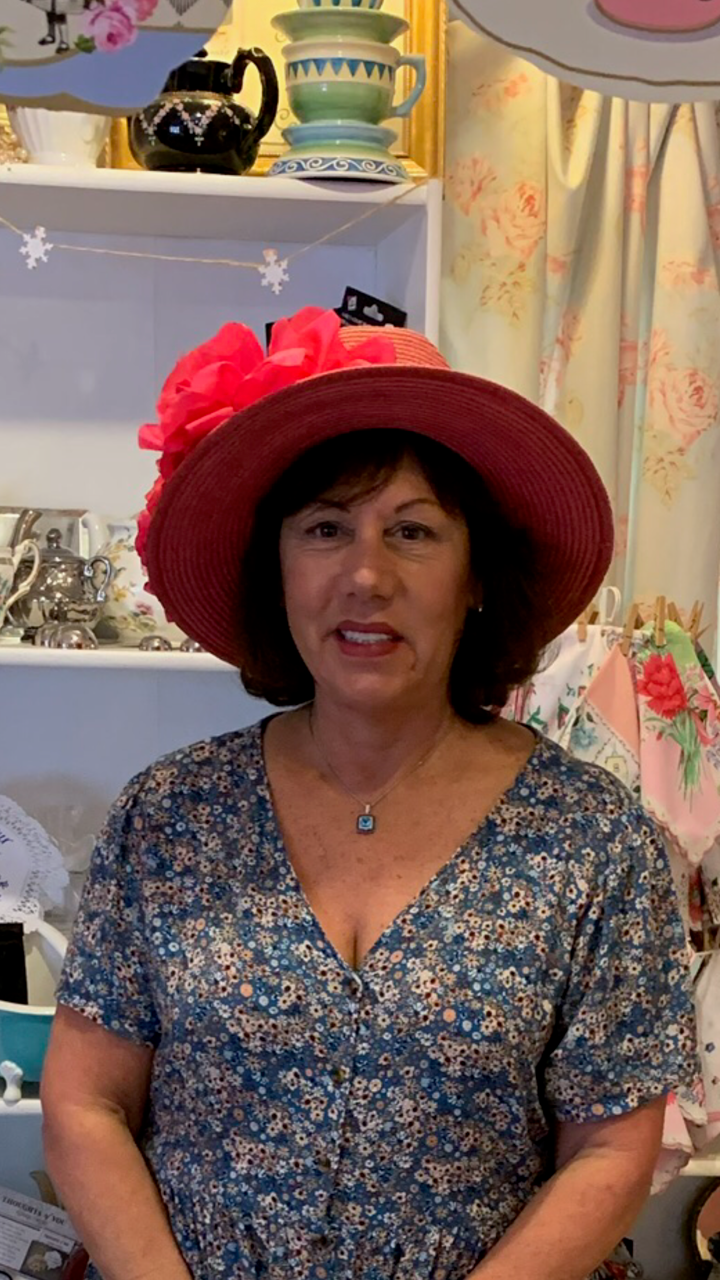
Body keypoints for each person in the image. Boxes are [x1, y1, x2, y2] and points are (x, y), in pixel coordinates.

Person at [41, 308, 697, 1280]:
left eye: (413, 530)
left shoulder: (593, 840)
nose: (365, 574)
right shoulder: (170, 815)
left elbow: (610, 1146)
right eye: (325, 528)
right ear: (280, 566)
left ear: (477, 576)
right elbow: (85, 1103)